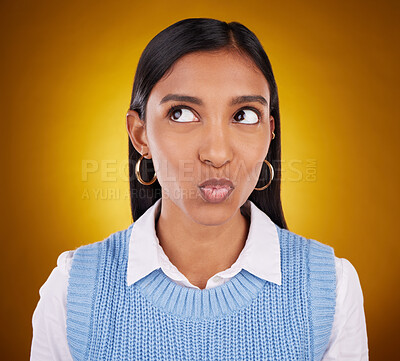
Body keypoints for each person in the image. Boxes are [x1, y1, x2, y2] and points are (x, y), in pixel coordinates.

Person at [30, 18, 369, 360]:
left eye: (244, 116)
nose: (217, 154)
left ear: (269, 132)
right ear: (140, 134)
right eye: (181, 113)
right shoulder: (74, 289)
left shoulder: (332, 287)